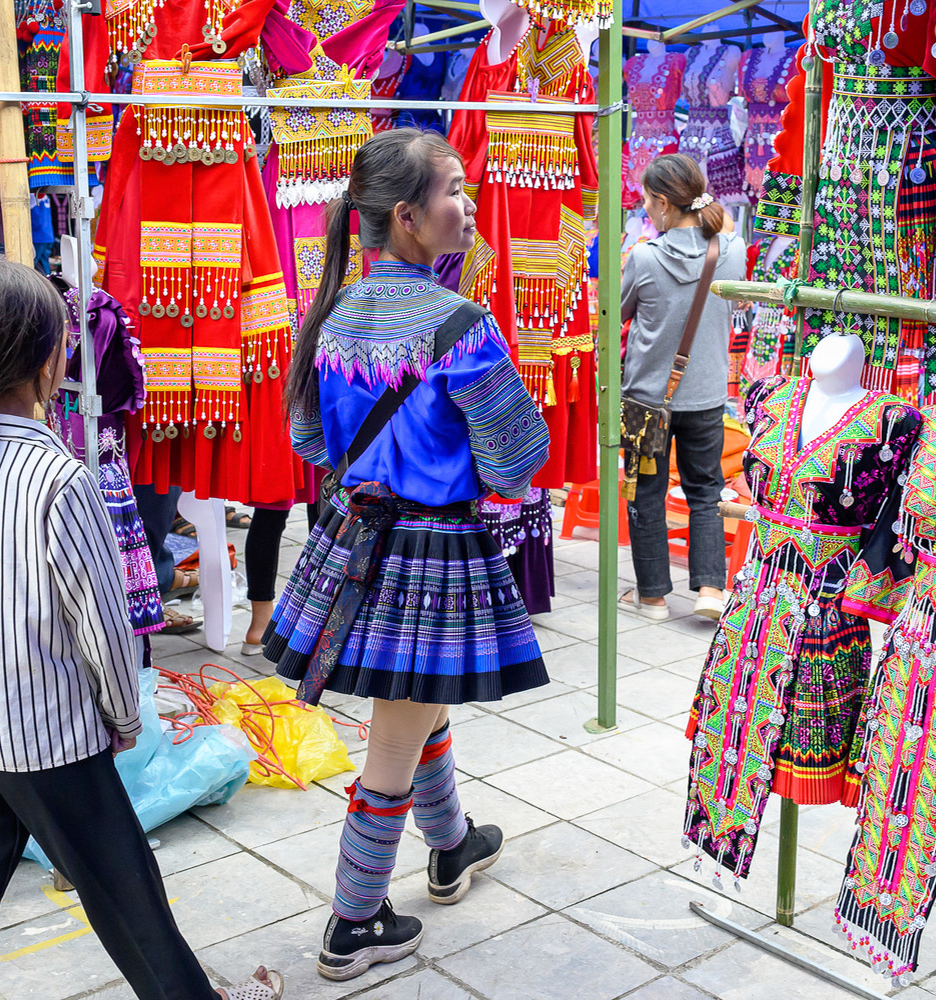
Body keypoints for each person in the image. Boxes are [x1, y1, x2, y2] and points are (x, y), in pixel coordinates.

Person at [0, 257, 282, 1000]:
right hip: (49, 741)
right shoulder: (61, 479)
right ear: (52, 359)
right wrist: (124, 717)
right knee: (131, 904)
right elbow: (102, 625)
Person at [262, 128, 551, 981]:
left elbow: (310, 439)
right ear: (407, 218)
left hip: (354, 540)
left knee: (416, 706)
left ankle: (453, 846)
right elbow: (516, 462)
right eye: (454, 190)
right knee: (392, 738)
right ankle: (353, 922)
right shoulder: (463, 324)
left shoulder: (329, 312)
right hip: (433, 551)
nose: (467, 203)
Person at [618, 152, 746, 622]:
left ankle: (651, 595)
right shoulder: (731, 250)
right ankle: (711, 588)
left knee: (644, 491)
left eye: (649, 202)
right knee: (706, 490)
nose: (646, 210)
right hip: (708, 394)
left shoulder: (645, 258)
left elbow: (622, 311)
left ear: (667, 205)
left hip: (647, 400)